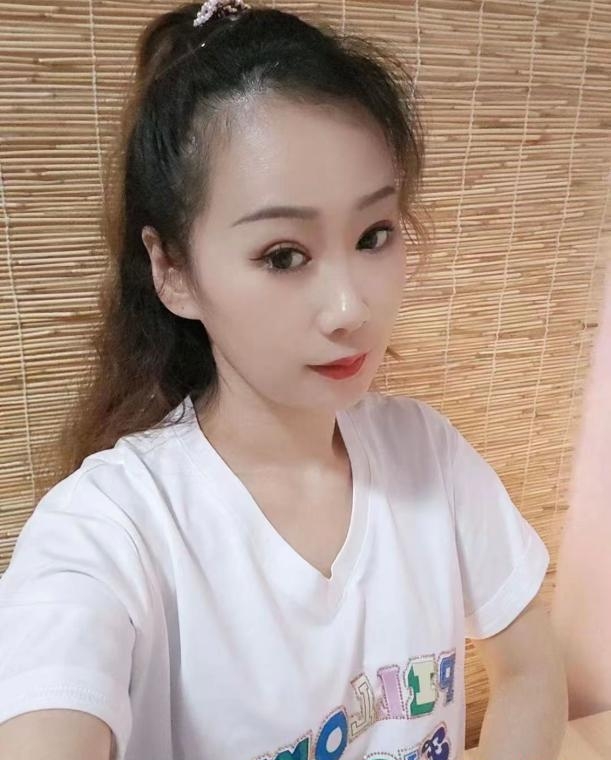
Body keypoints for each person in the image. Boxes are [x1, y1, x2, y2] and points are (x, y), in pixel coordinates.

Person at [0, 2, 559, 759]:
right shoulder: (110, 530)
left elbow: (532, 672)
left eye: (373, 235)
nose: (350, 308)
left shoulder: (426, 454)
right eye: (282, 255)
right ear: (173, 271)